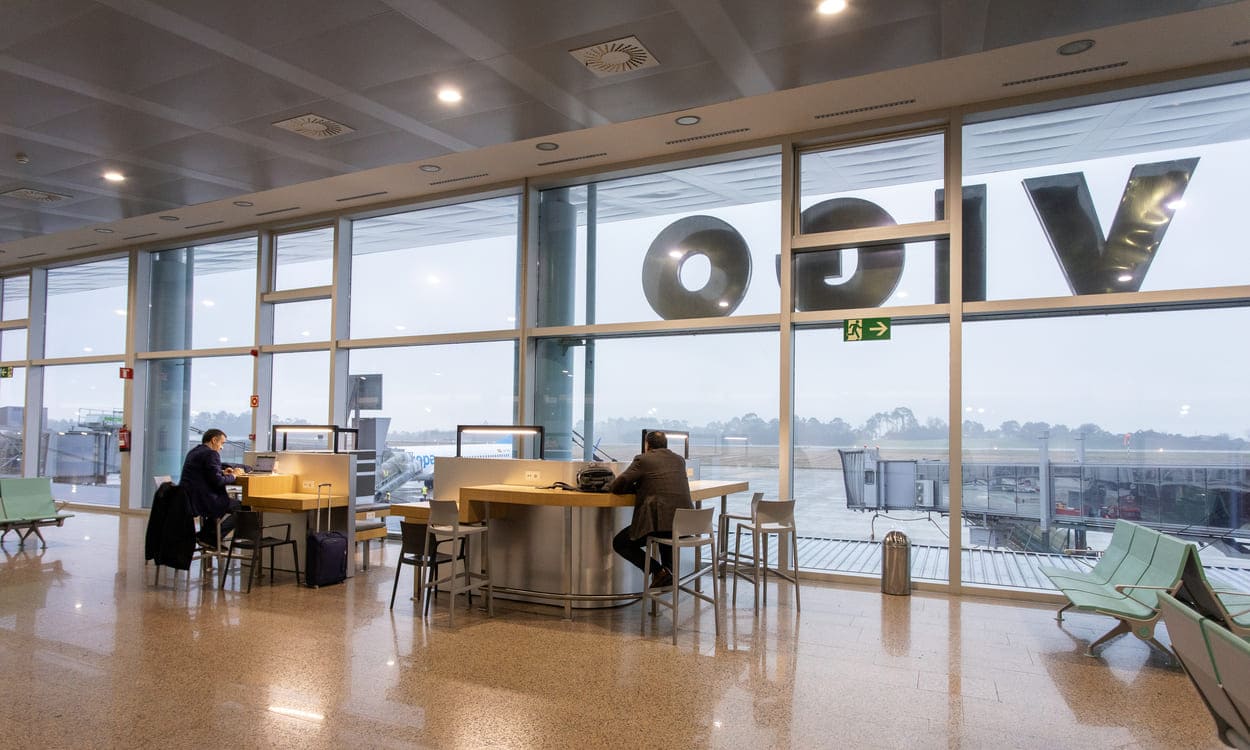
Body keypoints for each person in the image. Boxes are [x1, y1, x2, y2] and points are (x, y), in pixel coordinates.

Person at [610, 430, 693, 589]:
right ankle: (667, 576)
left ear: (647, 445)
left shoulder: (643, 459)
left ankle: (659, 571)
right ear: (666, 445)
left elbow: (618, 484)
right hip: (683, 525)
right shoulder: (679, 460)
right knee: (666, 528)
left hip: (661, 524)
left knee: (620, 543)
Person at [180, 429, 244, 546]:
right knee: (244, 508)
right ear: (214, 440)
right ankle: (212, 537)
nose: (221, 447)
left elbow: (205, 473)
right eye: (222, 443)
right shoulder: (211, 454)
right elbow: (218, 482)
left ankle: (206, 535)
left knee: (225, 504)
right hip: (204, 501)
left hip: (189, 499)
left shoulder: (194, 451)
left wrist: (222, 472)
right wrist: (234, 475)